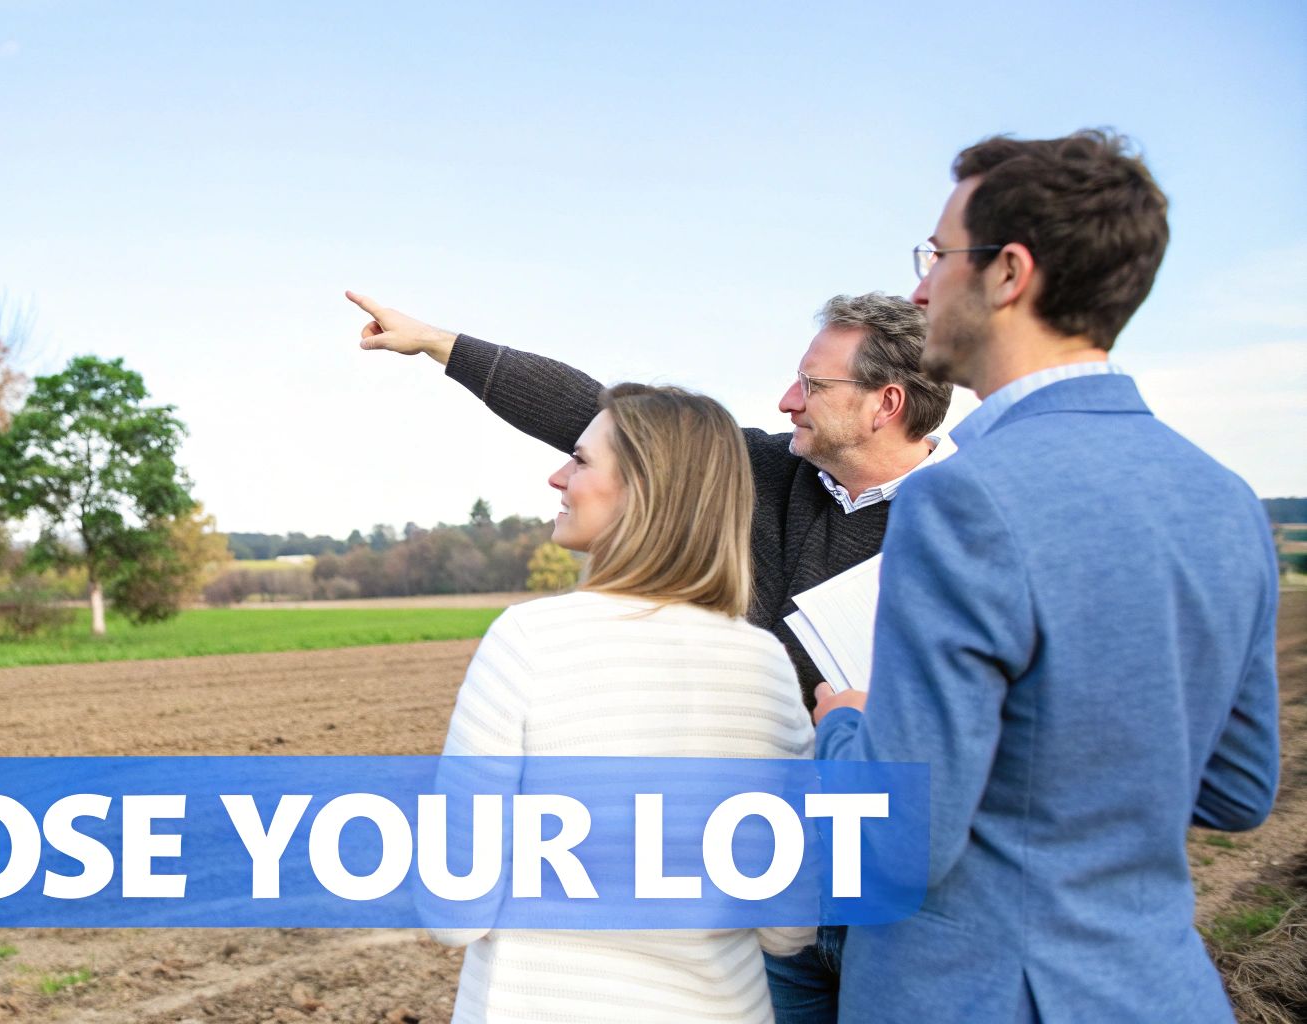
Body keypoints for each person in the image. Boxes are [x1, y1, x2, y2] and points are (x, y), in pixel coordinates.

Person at [353, 289, 952, 1020]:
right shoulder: (762, 472)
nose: (787, 399)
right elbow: (597, 417)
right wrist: (439, 343)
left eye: (813, 384)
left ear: (883, 404)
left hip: (899, 903)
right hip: (772, 885)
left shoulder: (971, 517)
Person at [812, 130, 1281, 1022]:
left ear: (1008, 273)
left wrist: (845, 727)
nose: (921, 285)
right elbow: (1236, 788)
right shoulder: (1225, 500)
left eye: (938, 254)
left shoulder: (960, 502)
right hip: (1159, 992)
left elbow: (898, 845)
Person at [434, 383, 816, 1023]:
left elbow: (454, 907)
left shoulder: (529, 640)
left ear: (644, 492)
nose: (558, 475)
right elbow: (788, 927)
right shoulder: (769, 665)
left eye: (581, 460)